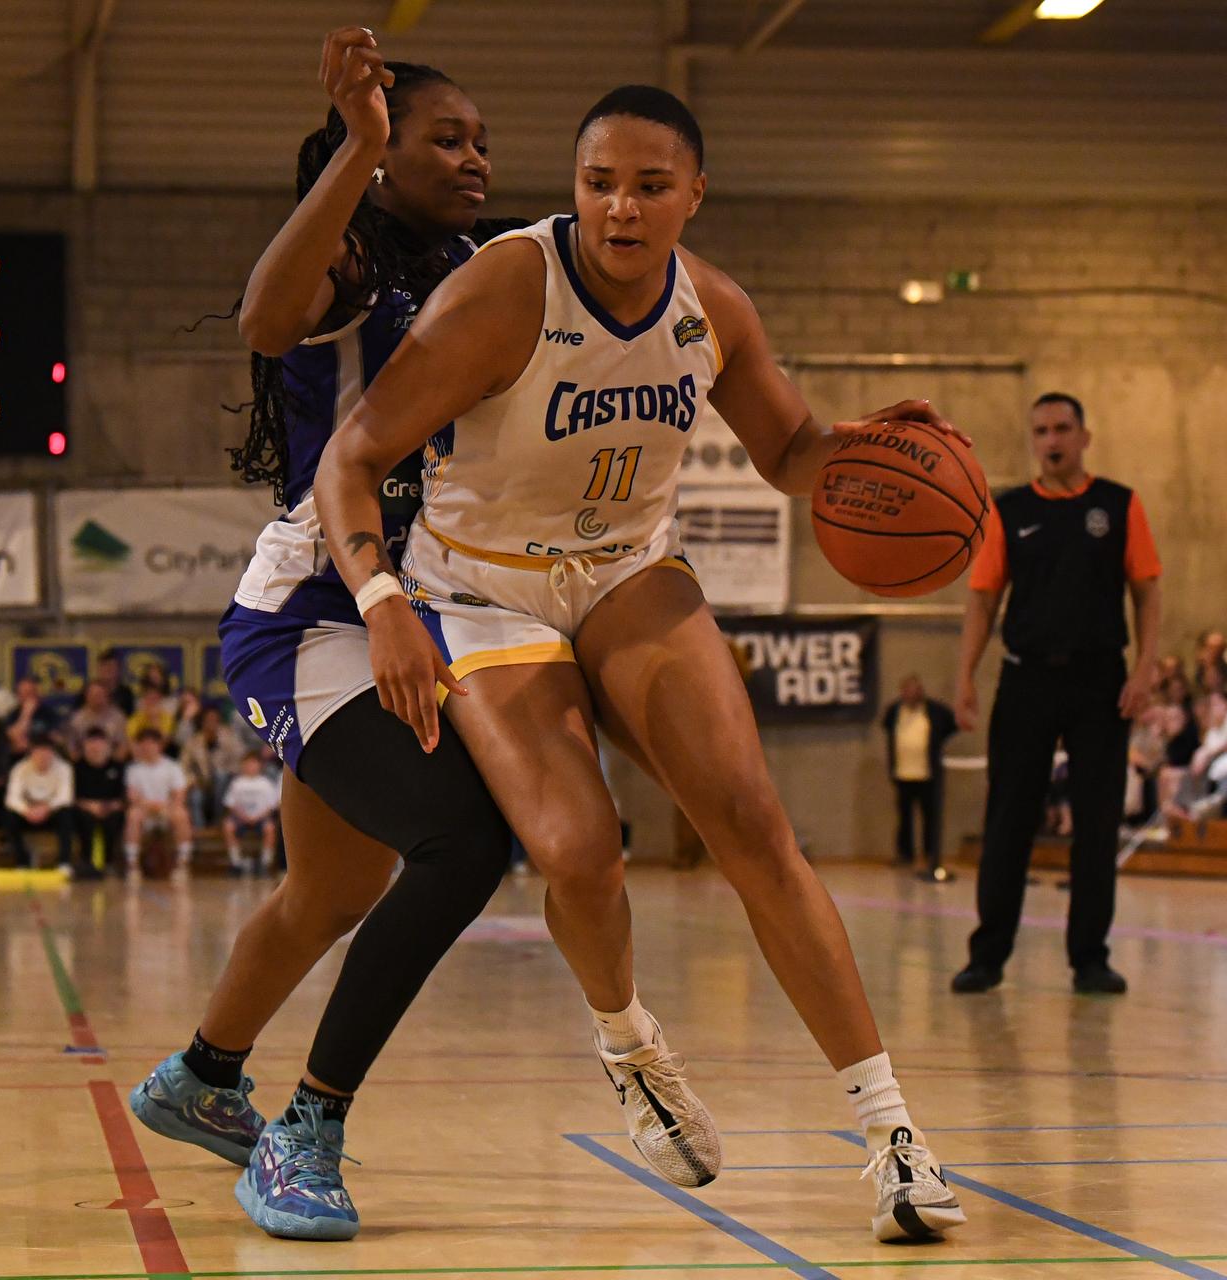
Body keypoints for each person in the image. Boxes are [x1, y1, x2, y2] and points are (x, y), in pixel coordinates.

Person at [315, 81, 968, 1242]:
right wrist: (380, 599)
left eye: (650, 186)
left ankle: (894, 1135)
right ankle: (629, 1044)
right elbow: (351, 458)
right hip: (479, 579)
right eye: (599, 182)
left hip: (623, 568)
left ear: (693, 196)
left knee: (752, 820)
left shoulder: (713, 305)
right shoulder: (507, 290)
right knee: (580, 848)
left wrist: (873, 446)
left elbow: (790, 453)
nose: (622, 206)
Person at [126, 36, 553, 1244]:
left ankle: (203, 1076)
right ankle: (307, 1126)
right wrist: (358, 147)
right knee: (463, 841)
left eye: (482, 141)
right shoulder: (353, 260)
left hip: (429, 604)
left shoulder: (490, 268)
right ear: (380, 155)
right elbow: (266, 319)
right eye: (445, 139)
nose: (475, 158)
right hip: (313, 611)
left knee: (330, 888)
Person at [948, 391, 1162, 997]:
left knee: (1096, 825)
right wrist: (965, 674)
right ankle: (987, 957)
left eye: (1062, 428)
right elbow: (984, 598)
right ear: (1033, 440)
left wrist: (1144, 669)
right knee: (1008, 820)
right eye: (1040, 430)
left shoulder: (1118, 505)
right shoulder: (1008, 509)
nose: (1052, 439)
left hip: (1100, 680)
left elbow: (1147, 592)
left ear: (1084, 437)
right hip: (1026, 679)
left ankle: (1090, 958)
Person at [880, 676, 957, 881]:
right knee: (904, 817)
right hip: (903, 773)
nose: (911, 694)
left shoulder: (933, 710)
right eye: (907, 690)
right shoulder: (895, 711)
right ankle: (905, 854)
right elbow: (887, 728)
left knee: (929, 816)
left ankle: (930, 855)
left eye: (914, 690)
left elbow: (952, 723)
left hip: (927, 775)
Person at [124, 728, 192, 872]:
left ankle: (183, 863)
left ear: (159, 745)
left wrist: (164, 806)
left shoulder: (172, 767)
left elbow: (179, 795)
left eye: (151, 743)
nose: (147, 747)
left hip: (167, 810)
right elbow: (132, 796)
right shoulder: (134, 769)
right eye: (144, 744)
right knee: (133, 815)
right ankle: (132, 864)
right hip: (145, 811)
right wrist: (149, 806)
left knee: (181, 814)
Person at [2, 736, 77, 868]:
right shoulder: (20, 768)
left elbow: (65, 796)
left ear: (53, 752)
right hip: (28, 814)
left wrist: (46, 808)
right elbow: (12, 798)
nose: (42, 756)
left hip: (51, 813)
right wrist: (27, 810)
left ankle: (64, 863)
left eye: (46, 751)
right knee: (9, 817)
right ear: (31, 752)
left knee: (66, 814)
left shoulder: (64, 768)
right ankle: (22, 862)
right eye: (38, 751)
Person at [71, 728, 128, 877]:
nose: (95, 747)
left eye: (99, 744)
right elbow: (72, 797)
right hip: (85, 808)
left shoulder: (117, 767)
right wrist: (90, 806)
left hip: (110, 808)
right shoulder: (77, 767)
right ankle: (87, 862)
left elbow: (123, 797)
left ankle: (109, 862)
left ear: (108, 746)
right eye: (91, 744)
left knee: (114, 819)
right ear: (84, 746)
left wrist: (111, 805)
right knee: (83, 818)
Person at [183, 704, 248, 829]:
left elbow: (240, 760)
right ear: (202, 722)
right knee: (196, 796)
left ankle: (218, 822)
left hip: (227, 782)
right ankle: (200, 830)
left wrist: (227, 772)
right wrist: (192, 780)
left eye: (214, 720)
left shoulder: (229, 737)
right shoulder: (194, 741)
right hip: (202, 784)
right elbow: (185, 766)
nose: (211, 723)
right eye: (208, 720)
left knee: (220, 776)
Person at [220, 752, 280, 877]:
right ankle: (236, 863)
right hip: (241, 817)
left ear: (259, 766)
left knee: (270, 828)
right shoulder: (237, 783)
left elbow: (272, 806)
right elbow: (230, 804)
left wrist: (257, 817)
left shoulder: (265, 783)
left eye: (253, 764)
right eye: (248, 764)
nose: (251, 767)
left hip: (260, 817)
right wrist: (243, 816)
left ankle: (265, 864)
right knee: (228, 826)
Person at [64, 682, 129, 760]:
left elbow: (123, 745)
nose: (96, 697)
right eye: (92, 694)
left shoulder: (118, 717)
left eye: (99, 694)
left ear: (107, 696)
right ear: (86, 696)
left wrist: (114, 764)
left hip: (111, 762)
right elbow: (71, 747)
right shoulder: (77, 718)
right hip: (84, 763)